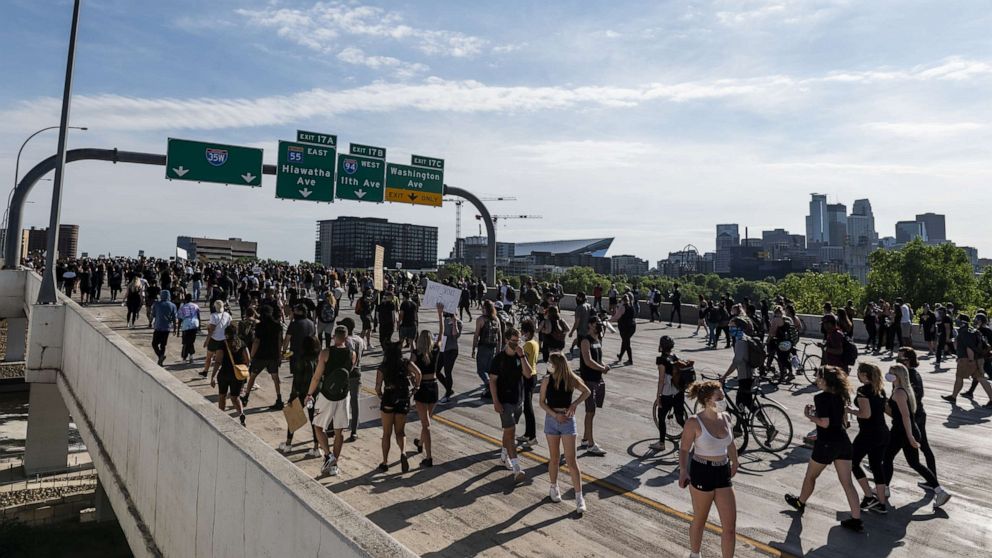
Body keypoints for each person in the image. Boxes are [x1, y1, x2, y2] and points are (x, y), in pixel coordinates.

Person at [784, 366, 864, 533]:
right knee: (848, 483)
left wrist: (809, 416)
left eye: (818, 377)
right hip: (843, 441)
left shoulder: (820, 397)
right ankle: (856, 519)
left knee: (811, 476)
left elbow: (825, 423)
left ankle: (801, 502)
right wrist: (818, 414)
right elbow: (843, 422)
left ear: (825, 380)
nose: (816, 379)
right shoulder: (841, 395)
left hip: (826, 443)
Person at [679, 380, 739, 558]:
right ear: (707, 400)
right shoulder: (694, 422)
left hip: (722, 472)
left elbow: (730, 443)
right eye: (719, 397)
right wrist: (683, 470)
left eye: (723, 396)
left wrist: (735, 461)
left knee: (729, 528)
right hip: (702, 471)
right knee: (700, 520)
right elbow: (684, 449)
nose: (723, 400)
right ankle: (695, 554)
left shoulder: (726, 418)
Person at [885, 364, 952, 508]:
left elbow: (905, 416)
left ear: (898, 376)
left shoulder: (898, 392)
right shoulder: (903, 390)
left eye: (891, 373)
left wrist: (910, 437)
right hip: (907, 430)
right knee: (914, 463)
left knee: (887, 457)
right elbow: (898, 414)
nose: (888, 375)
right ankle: (940, 491)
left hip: (902, 432)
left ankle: (884, 488)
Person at [540, 352, 591, 513]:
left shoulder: (570, 379)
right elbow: (541, 402)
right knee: (554, 458)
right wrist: (555, 415)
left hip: (568, 421)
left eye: (550, 362)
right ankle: (553, 487)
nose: (548, 364)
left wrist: (574, 404)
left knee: (571, 460)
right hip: (552, 419)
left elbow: (586, 391)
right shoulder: (547, 380)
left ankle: (579, 497)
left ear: (556, 364)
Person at [305, 326, 355, 477]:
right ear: (346, 338)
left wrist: (309, 394)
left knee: (318, 426)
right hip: (343, 395)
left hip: (327, 395)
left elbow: (316, 376)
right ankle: (334, 465)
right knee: (340, 432)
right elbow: (348, 372)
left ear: (334, 337)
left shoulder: (326, 353)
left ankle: (328, 455)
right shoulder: (352, 354)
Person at [489, 327, 534, 482]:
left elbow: (528, 374)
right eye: (514, 341)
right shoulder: (498, 359)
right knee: (511, 433)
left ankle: (503, 456)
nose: (516, 344)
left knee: (507, 433)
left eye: (518, 341)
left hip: (518, 400)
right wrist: (495, 401)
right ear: (507, 340)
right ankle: (516, 468)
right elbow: (492, 381)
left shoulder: (521, 355)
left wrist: (522, 357)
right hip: (504, 401)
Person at [846, 363, 890, 513]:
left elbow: (865, 414)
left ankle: (869, 496)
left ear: (864, 375)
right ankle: (881, 504)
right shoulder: (880, 390)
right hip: (883, 432)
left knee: (853, 462)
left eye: (858, 372)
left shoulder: (863, 391)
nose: (857, 375)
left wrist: (850, 409)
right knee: (877, 466)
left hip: (868, 433)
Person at [375, 342, 421, 473]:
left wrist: (380, 395)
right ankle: (403, 452)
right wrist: (416, 387)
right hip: (403, 397)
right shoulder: (405, 363)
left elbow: (377, 386)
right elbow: (418, 373)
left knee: (386, 433)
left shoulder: (383, 367)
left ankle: (384, 462)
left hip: (388, 397)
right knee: (400, 432)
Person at [897, 347, 939, 485]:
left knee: (895, 443)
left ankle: (933, 481)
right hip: (918, 414)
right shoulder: (911, 374)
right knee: (925, 446)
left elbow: (914, 397)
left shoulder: (909, 376)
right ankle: (933, 478)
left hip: (914, 415)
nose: (897, 362)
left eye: (900, 359)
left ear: (908, 360)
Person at [277, 334, 321, 457]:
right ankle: (316, 446)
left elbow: (297, 381)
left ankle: (288, 444)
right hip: (315, 394)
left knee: (293, 417)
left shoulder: (302, 360)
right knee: (314, 420)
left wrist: (292, 397)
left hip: (302, 393)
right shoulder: (319, 359)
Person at [941, 313, 992, 406]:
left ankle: (953, 397)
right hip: (977, 359)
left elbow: (969, 347)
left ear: (962, 321)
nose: (956, 320)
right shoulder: (972, 330)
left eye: (958, 319)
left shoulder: (964, 332)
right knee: (982, 379)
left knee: (959, 377)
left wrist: (971, 360)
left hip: (967, 360)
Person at [653, 335, 692, 451]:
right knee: (680, 418)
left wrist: (658, 396)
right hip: (678, 392)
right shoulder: (675, 357)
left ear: (661, 346)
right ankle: (693, 437)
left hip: (667, 394)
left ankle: (661, 444)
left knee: (661, 417)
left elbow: (661, 380)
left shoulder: (661, 361)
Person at [243, 304, 285, 410]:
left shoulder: (260, 326)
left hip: (260, 355)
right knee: (275, 378)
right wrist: (279, 355)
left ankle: (246, 397)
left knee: (252, 376)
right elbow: (280, 341)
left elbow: (256, 341)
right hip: (273, 355)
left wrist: (251, 355)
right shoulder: (277, 326)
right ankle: (279, 398)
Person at [579, 316, 610, 456]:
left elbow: (597, 358)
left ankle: (585, 439)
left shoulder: (598, 340)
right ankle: (591, 444)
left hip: (597, 378)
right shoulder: (586, 341)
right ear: (590, 325)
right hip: (589, 380)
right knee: (590, 411)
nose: (599, 326)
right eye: (596, 324)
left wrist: (603, 365)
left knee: (591, 412)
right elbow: (588, 361)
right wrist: (601, 368)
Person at [210, 324, 247, 426]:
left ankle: (221, 417)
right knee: (235, 397)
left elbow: (218, 361)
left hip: (224, 374)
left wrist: (213, 376)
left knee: (222, 396)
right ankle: (241, 414)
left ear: (226, 333)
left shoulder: (223, 344)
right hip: (238, 374)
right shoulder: (241, 343)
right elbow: (247, 359)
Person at [411, 329, 438, 465]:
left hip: (422, 388)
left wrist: (413, 383)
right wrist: (440, 315)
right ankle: (420, 443)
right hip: (433, 387)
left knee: (426, 424)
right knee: (426, 420)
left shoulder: (416, 354)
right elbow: (442, 333)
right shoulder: (436, 350)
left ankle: (429, 458)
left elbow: (410, 369)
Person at [721, 318, 756, 416]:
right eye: (729, 327)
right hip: (748, 375)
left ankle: (766, 426)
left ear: (739, 328)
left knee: (743, 403)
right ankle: (739, 427)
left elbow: (736, 361)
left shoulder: (741, 341)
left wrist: (724, 376)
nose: (730, 329)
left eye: (732, 327)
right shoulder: (744, 337)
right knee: (744, 403)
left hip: (745, 377)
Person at [339, 317, 366, 443]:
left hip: (346, 374)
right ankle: (354, 430)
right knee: (355, 403)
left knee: (342, 401)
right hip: (357, 372)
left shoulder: (346, 341)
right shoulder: (360, 339)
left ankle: (339, 426)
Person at [472, 300, 502, 399]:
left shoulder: (481, 319)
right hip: (493, 347)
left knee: (481, 370)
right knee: (489, 370)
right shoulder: (496, 319)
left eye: (483, 307)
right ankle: (491, 389)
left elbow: (476, 335)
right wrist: (498, 349)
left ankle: (489, 385)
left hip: (483, 347)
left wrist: (473, 349)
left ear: (485, 308)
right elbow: (500, 336)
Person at [518, 319, 540, 447]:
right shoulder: (535, 343)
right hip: (534, 375)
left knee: (528, 408)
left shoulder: (527, 345)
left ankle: (532, 437)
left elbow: (522, 361)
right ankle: (527, 434)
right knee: (527, 407)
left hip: (527, 376)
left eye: (522, 331)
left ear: (526, 332)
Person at [963, 313, 992, 399]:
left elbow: (990, 345)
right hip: (981, 356)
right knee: (978, 375)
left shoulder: (986, 331)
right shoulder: (980, 330)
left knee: (983, 374)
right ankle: (970, 392)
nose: (975, 321)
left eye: (977, 319)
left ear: (981, 321)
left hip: (984, 357)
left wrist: (984, 353)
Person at [201, 300, 232, 379]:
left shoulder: (213, 316)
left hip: (214, 340)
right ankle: (216, 375)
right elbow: (230, 327)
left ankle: (205, 372)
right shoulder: (227, 315)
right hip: (223, 340)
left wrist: (206, 341)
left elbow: (211, 330)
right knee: (218, 360)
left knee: (209, 357)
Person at [437, 305, 461, 403]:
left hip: (452, 349)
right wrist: (440, 314)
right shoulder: (445, 321)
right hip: (443, 348)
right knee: (436, 370)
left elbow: (455, 335)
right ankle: (449, 389)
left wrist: (454, 322)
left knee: (448, 371)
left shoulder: (458, 323)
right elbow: (441, 331)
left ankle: (447, 395)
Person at [150, 290, 176, 367]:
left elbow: (153, 314)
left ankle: (160, 356)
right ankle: (161, 360)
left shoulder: (157, 304)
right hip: (167, 328)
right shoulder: (172, 305)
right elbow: (174, 318)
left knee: (154, 344)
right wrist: (175, 329)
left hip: (158, 327)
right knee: (163, 345)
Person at [612, 293, 636, 365]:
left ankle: (630, 360)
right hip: (632, 326)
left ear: (623, 300)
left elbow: (617, 317)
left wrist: (609, 320)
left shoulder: (623, 307)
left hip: (625, 327)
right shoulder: (631, 306)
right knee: (625, 342)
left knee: (626, 343)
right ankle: (620, 356)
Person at [176, 293, 201, 364]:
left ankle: (184, 357)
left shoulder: (182, 307)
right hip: (194, 325)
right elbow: (199, 317)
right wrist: (199, 327)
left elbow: (180, 320)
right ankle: (191, 356)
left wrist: (178, 331)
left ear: (185, 299)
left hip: (186, 326)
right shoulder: (196, 306)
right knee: (191, 341)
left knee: (185, 342)